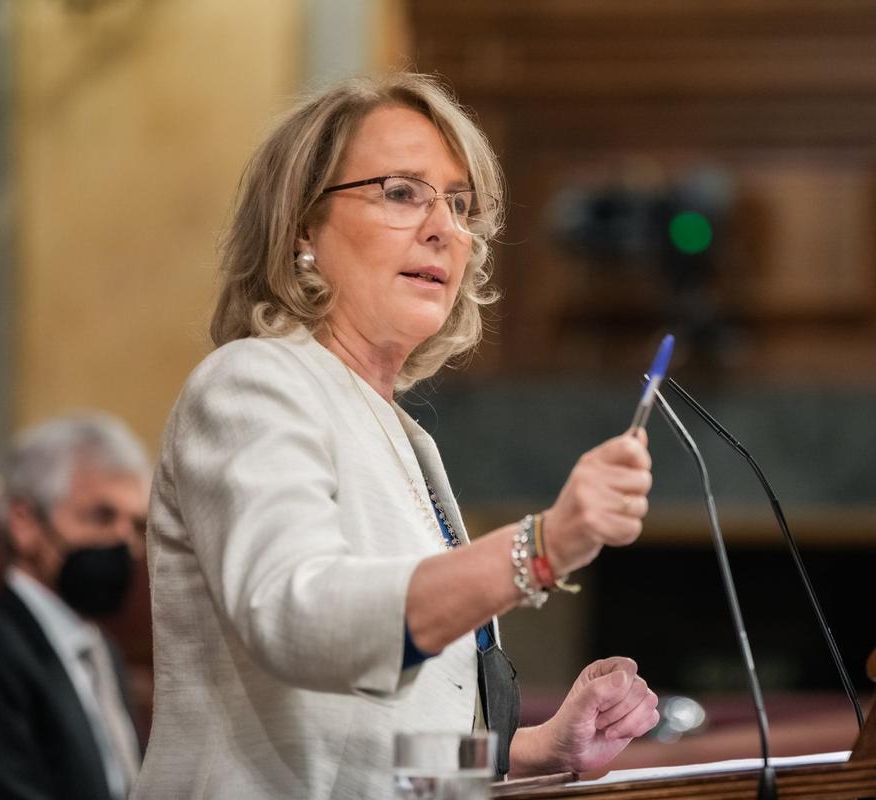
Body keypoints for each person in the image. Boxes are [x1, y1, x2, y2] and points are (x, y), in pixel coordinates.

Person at [131, 72, 658, 799]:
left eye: (460, 203)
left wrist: (533, 750)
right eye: (402, 192)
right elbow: (300, 619)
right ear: (301, 230)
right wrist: (538, 549)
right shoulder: (251, 385)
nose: (446, 228)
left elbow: (373, 745)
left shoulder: (405, 437)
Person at [0, 413, 149, 800]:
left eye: (138, 525)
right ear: (25, 524)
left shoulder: (100, 647)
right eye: (102, 516)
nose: (126, 544)